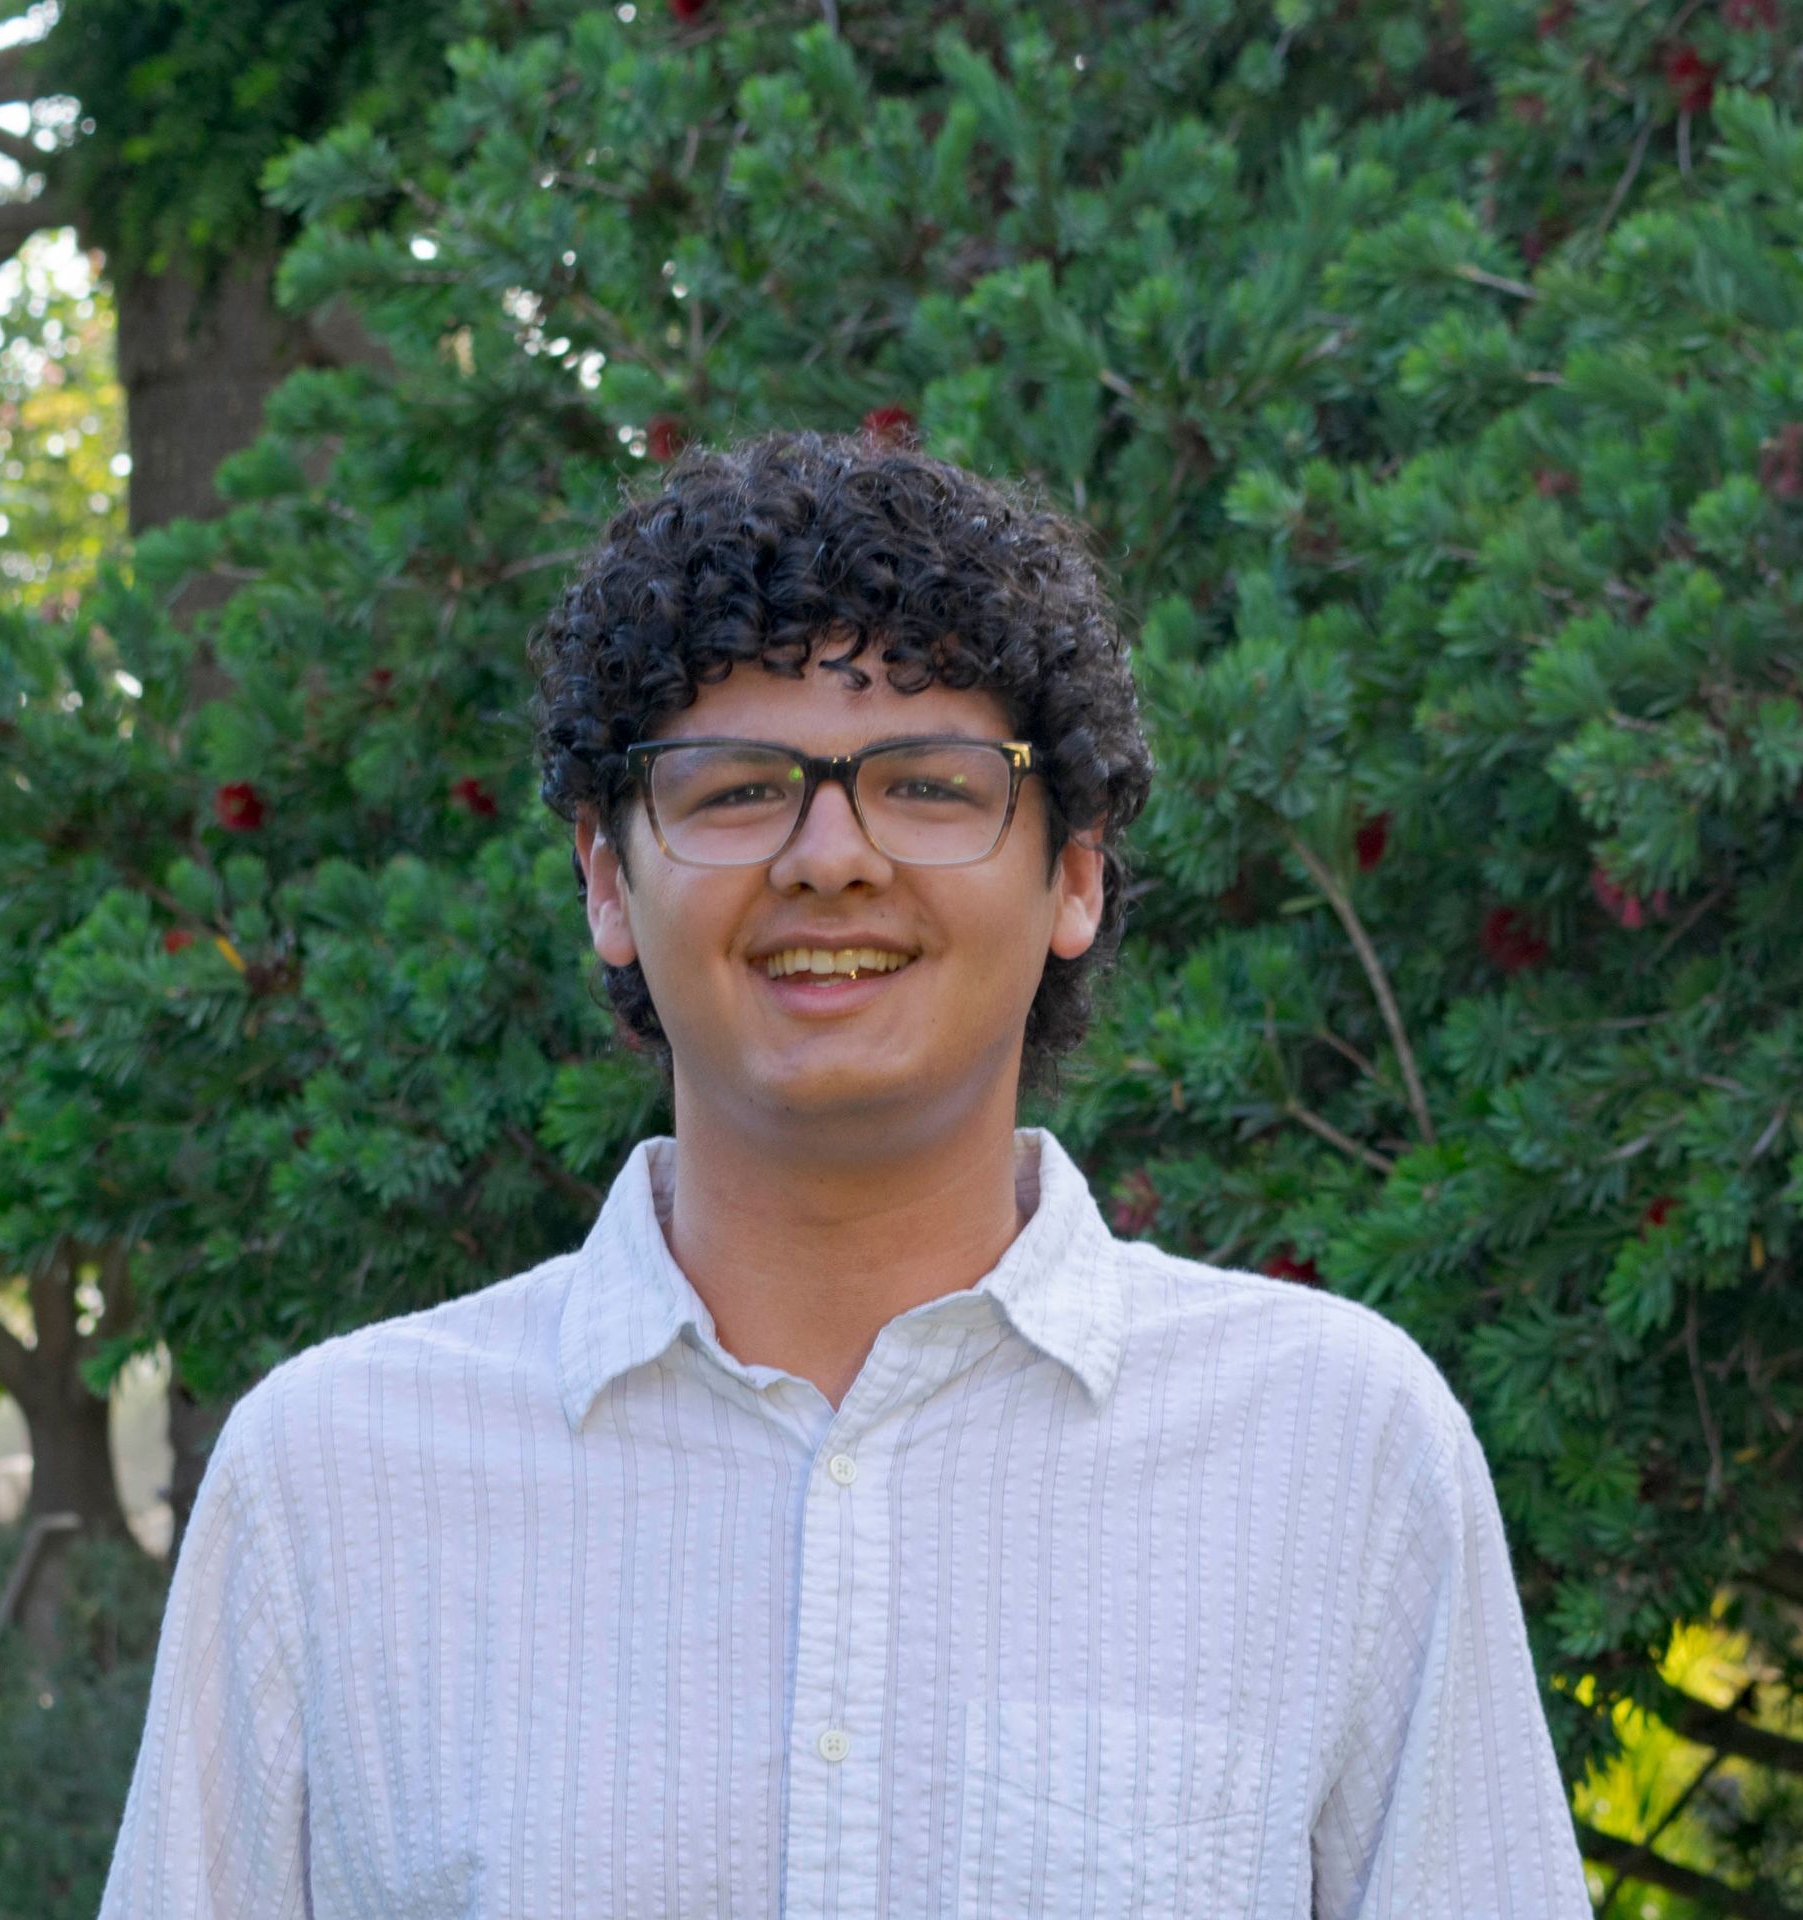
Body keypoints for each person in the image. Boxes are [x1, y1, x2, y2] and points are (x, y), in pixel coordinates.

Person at [98, 429, 1593, 1917]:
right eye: (737, 787)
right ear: (608, 882)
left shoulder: (1337, 1452)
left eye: (930, 787)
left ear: (1074, 875)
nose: (829, 857)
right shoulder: (329, 1484)